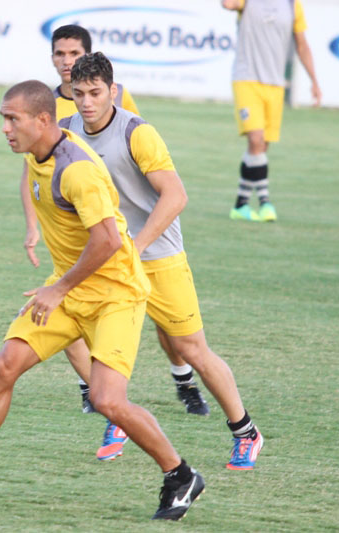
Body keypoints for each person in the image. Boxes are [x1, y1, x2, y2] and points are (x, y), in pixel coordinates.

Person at [0, 80, 204, 521]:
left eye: (12, 119)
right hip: (71, 288)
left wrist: (58, 288)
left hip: (116, 293)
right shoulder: (38, 152)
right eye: (3, 119)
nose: (5, 128)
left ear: (42, 120)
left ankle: (180, 475)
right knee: (4, 366)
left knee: (109, 400)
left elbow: (108, 240)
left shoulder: (77, 171)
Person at [25, 51, 263, 468]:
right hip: (105, 262)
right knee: (65, 324)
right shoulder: (66, 132)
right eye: (79, 93)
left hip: (157, 256)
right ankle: (115, 412)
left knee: (192, 349)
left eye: (95, 92)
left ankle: (245, 431)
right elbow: (37, 176)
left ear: (113, 91)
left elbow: (176, 196)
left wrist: (133, 248)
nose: (87, 102)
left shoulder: (137, 133)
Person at [23, 24, 209, 417]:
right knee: (65, 310)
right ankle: (97, 394)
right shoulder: (53, 114)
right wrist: (34, 225)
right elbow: (35, 174)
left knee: (177, 335)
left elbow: (142, 160)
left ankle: (184, 380)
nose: (67, 61)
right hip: (99, 244)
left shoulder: (124, 114)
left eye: (74, 54)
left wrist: (136, 243)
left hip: (145, 246)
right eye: (60, 54)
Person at [222, 0, 321, 222]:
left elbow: (302, 44)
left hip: (275, 84)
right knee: (256, 140)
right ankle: (265, 201)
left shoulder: (293, 4)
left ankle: (240, 205)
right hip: (247, 79)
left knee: (260, 147)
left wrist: (314, 81)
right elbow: (227, 4)